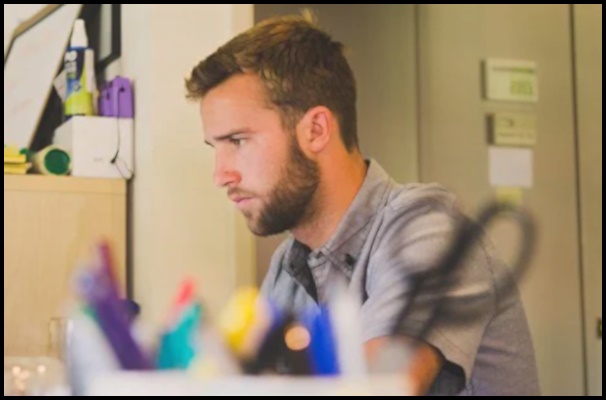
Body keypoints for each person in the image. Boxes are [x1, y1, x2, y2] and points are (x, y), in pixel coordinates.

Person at [185, 13, 540, 396]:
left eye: (237, 141)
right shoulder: (287, 267)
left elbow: (377, 388)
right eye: (215, 147)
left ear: (316, 130)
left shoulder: (429, 229)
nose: (220, 175)